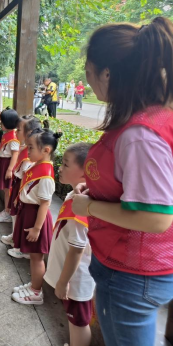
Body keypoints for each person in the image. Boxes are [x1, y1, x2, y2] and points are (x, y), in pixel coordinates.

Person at [71, 18, 173, 346]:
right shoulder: (149, 118)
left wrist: (89, 206)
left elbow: (155, 217)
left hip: (132, 274)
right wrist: (98, 191)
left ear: (107, 74)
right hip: (136, 269)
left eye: (88, 72)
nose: (87, 81)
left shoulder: (140, 135)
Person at [44, 143, 95, 346]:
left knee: (78, 322)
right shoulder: (75, 196)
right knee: (73, 319)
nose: (60, 167)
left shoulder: (83, 205)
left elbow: (76, 250)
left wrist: (63, 282)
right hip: (72, 278)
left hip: (77, 280)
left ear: (86, 172)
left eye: (65, 164)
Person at [11, 128, 61, 306]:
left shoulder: (46, 174)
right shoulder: (38, 165)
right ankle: (34, 284)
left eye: (31, 147)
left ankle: (36, 292)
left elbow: (45, 204)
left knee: (36, 257)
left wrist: (37, 228)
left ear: (46, 150)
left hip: (36, 218)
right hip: (29, 213)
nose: (27, 150)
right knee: (33, 256)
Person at [2, 115, 41, 260]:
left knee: (18, 215)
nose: (16, 132)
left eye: (19, 130)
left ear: (29, 133)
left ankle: (20, 246)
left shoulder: (31, 155)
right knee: (14, 214)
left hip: (23, 188)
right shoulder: (24, 148)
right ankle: (15, 237)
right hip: (19, 184)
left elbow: (27, 175)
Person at [0, 109, 20, 221]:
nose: (0, 124)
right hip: (3, 163)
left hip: (7, 164)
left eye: (2, 122)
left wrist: (9, 169)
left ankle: (7, 212)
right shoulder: (8, 134)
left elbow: (15, 154)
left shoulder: (13, 137)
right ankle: (6, 210)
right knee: (6, 189)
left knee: (8, 189)